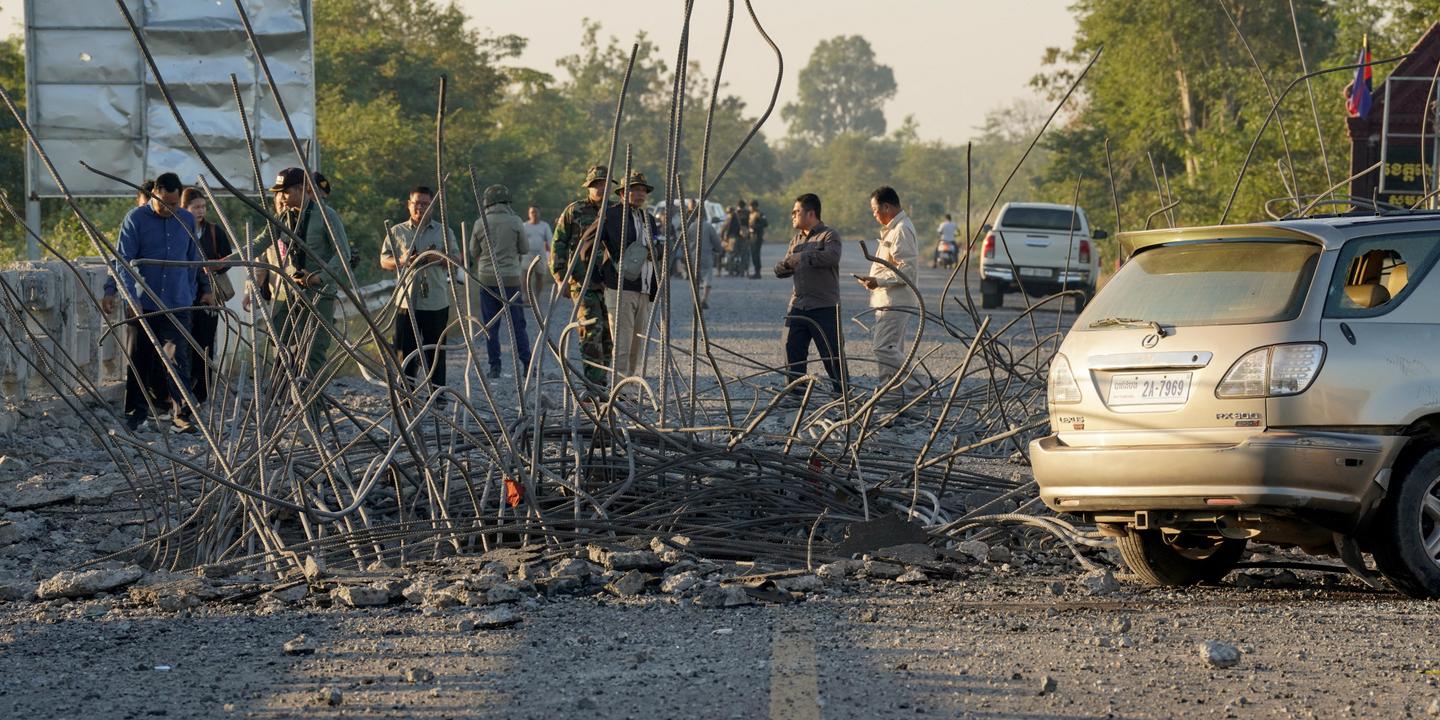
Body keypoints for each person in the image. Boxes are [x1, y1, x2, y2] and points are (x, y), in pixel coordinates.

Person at [102, 172, 213, 433]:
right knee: (139, 358)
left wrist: (196, 289)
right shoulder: (135, 219)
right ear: (154, 194)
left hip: (177, 301)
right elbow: (123, 260)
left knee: (178, 359)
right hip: (143, 303)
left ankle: (181, 415)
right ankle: (136, 414)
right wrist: (128, 296)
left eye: (174, 204)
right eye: (164, 203)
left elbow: (193, 260)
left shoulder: (186, 219)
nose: (169, 209)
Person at [256, 167, 349, 388]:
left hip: (319, 294)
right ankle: (287, 396)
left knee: (313, 353)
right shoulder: (283, 217)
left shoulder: (326, 215)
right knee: (279, 340)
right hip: (291, 293)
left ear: (302, 189)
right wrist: (224, 262)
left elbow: (343, 254)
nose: (281, 197)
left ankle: (312, 405)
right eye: (279, 193)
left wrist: (319, 277)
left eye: (286, 192)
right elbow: (260, 242)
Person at [578, 171, 662, 391]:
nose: (640, 194)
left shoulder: (648, 218)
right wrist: (599, 277)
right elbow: (587, 247)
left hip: (644, 288)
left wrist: (655, 251)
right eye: (634, 189)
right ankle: (619, 390)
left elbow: (658, 246)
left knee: (636, 345)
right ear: (623, 193)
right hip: (620, 288)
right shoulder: (611, 215)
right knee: (622, 344)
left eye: (643, 190)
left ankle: (630, 389)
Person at [382, 185, 460, 390]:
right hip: (406, 302)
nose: (421, 208)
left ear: (432, 207)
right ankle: (406, 395)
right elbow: (384, 261)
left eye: (425, 204)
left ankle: (438, 396)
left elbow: (457, 259)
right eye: (417, 203)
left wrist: (438, 258)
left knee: (435, 351)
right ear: (409, 205)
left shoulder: (444, 231)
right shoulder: (396, 231)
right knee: (404, 351)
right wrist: (403, 260)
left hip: (436, 301)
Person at [774, 193, 846, 399]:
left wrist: (802, 257)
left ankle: (843, 396)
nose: (792, 216)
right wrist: (785, 265)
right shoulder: (795, 240)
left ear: (811, 214)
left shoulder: (829, 235)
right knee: (791, 349)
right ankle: (796, 394)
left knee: (832, 354)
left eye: (796, 212)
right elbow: (782, 269)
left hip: (824, 306)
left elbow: (832, 257)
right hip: (798, 304)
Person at [856, 186, 924, 399]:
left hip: (896, 301)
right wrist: (874, 281)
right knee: (892, 350)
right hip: (886, 299)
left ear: (886, 207)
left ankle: (921, 386)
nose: (874, 215)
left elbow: (907, 270)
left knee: (883, 348)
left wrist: (879, 280)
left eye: (875, 210)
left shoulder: (902, 229)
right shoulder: (894, 229)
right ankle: (891, 395)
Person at [551, 165, 615, 391]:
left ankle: (603, 382)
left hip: (610, 282)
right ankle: (592, 385)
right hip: (582, 281)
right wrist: (560, 278)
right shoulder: (574, 210)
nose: (601, 188)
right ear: (588, 187)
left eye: (605, 184)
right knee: (590, 330)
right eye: (596, 184)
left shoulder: (616, 211)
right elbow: (558, 243)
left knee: (609, 335)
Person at [472, 184, 532, 380]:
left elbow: (473, 252)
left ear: (487, 202)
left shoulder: (480, 223)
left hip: (487, 279)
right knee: (517, 324)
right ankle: (527, 364)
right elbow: (524, 248)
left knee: (491, 325)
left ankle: (495, 366)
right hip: (511, 280)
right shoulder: (516, 221)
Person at [180, 187, 233, 406]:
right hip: (183, 294)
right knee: (183, 344)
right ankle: (183, 392)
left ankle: (202, 392)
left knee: (205, 343)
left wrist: (214, 267)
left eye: (203, 207)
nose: (200, 211)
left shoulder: (213, 231)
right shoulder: (179, 229)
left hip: (208, 297)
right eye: (196, 207)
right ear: (185, 208)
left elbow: (228, 259)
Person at [684, 199, 719, 310]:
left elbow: (684, 243)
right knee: (707, 278)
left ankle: (696, 300)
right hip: (706, 256)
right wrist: (718, 250)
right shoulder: (709, 227)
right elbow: (716, 243)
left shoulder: (689, 227)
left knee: (694, 280)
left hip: (693, 257)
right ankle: (704, 299)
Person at [522, 205, 553, 308]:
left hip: (540, 254)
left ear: (539, 213)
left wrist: (552, 254)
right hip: (527, 254)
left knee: (540, 276)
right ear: (529, 214)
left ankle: (536, 297)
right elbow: (520, 240)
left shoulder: (544, 226)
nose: (534, 214)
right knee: (525, 276)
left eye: (536, 212)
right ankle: (526, 297)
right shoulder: (524, 226)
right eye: (532, 212)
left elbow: (550, 240)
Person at [747, 199, 767, 279]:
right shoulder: (750, 214)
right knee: (753, 255)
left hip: (757, 237)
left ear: (755, 206)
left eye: (750, 206)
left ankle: (758, 273)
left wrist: (755, 227)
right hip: (751, 237)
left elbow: (765, 223)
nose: (749, 208)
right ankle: (756, 272)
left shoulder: (759, 214)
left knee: (756, 255)